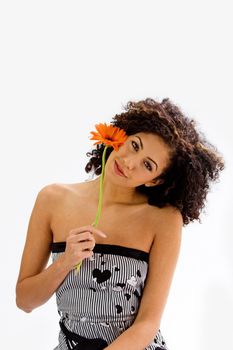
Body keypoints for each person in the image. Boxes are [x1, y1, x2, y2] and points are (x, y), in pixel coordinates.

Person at [15, 98, 225, 350]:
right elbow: (25, 301)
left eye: (148, 165)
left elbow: (148, 323)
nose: (129, 162)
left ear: (155, 181)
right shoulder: (52, 199)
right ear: (121, 136)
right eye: (134, 145)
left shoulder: (164, 220)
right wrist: (65, 261)